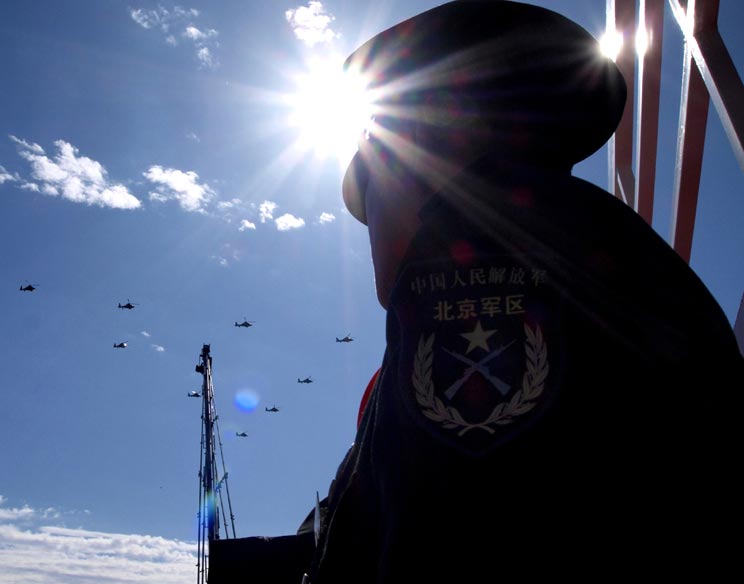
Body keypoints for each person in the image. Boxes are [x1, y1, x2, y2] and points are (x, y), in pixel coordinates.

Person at [306, 1, 744, 581]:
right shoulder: (599, 250)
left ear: (412, 155)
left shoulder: (465, 273)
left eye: (372, 194)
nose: (370, 231)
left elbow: (443, 540)